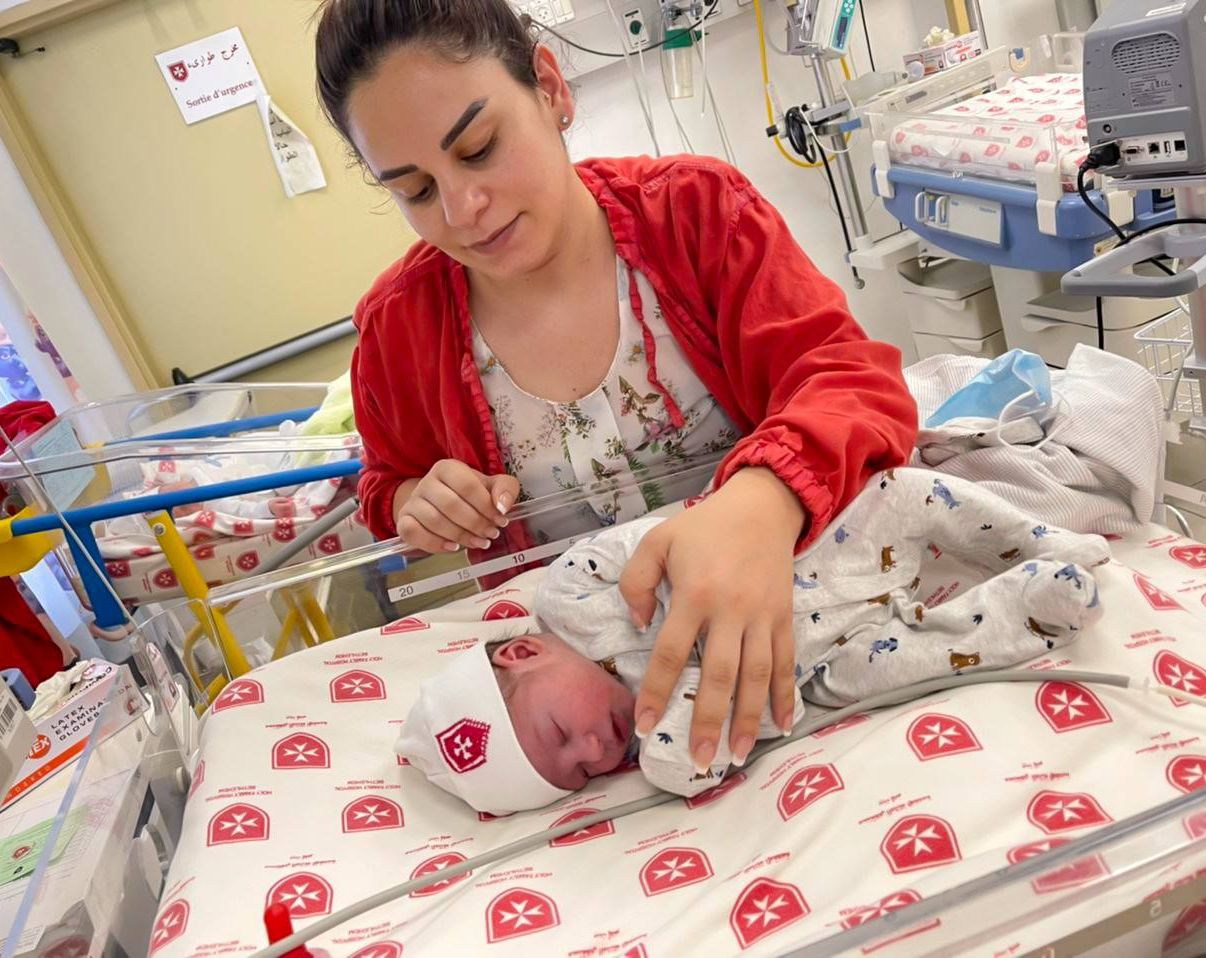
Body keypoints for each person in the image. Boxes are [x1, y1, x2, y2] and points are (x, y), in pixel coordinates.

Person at [315, 0, 919, 772]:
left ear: (550, 89)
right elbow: (385, 480)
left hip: (794, 609)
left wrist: (762, 499)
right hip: (607, 700)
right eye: (416, 191)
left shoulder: (698, 215)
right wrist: (412, 502)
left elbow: (847, 379)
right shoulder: (399, 330)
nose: (463, 210)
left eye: (479, 148)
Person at [396, 468, 1109, 813]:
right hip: (824, 661)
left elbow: (666, 539)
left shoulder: (572, 597)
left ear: (523, 652)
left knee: (904, 492)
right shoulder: (652, 744)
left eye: (559, 733)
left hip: (816, 554)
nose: (595, 753)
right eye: (577, 775)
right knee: (905, 667)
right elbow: (716, 749)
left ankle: (1038, 539)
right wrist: (673, 749)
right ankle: (1032, 606)